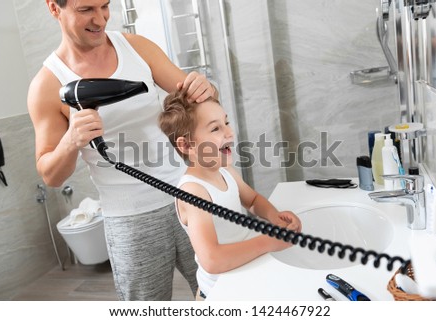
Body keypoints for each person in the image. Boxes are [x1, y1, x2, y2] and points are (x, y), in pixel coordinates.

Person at [27, 0, 219, 301]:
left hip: (189, 196)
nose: (101, 18)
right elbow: (51, 175)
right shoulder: (47, 85)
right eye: (86, 9)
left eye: (105, 6)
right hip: (130, 220)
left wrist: (205, 90)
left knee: (223, 294)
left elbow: (197, 102)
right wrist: (71, 140)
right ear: (54, 8)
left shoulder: (137, 47)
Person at [158, 90, 302, 300]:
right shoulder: (193, 191)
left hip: (242, 274)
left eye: (226, 122)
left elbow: (252, 200)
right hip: (221, 292)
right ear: (187, 145)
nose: (229, 133)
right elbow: (212, 260)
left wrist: (275, 217)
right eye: (216, 128)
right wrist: (269, 241)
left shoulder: (225, 171)